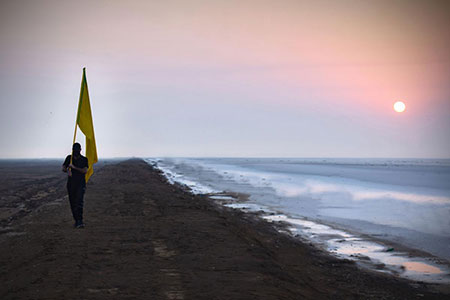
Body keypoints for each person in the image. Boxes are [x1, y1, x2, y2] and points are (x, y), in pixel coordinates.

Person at [62, 143, 89, 228]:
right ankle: (76, 220)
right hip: (71, 185)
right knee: (73, 203)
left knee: (79, 202)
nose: (75, 151)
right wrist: (67, 170)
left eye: (77, 150)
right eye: (74, 149)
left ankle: (80, 221)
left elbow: (85, 171)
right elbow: (63, 168)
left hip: (80, 184)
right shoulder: (69, 158)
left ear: (80, 150)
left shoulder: (84, 159)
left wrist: (73, 167)